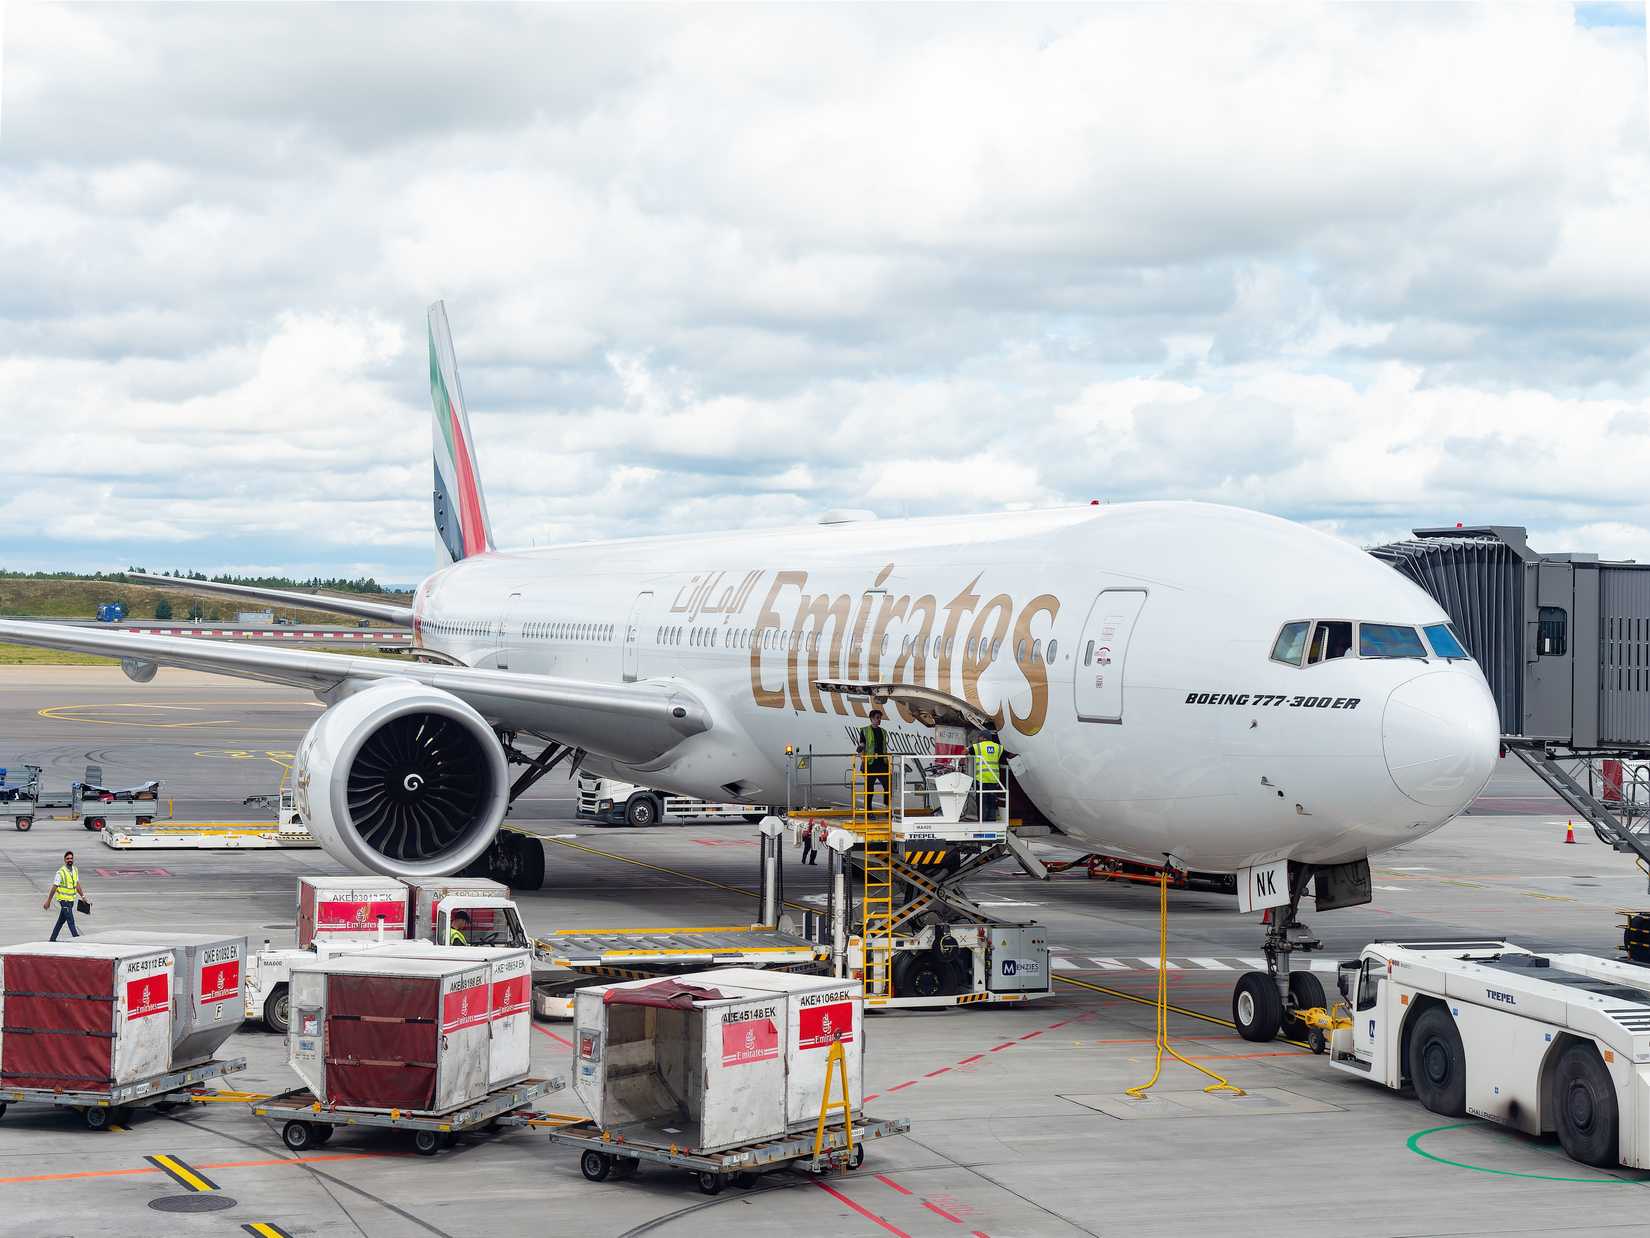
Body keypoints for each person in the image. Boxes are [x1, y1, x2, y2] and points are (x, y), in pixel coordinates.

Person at [42, 850, 88, 941]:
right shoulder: (60, 872)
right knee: (71, 921)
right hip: (64, 901)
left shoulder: (75, 870)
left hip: (71, 901)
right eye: (67, 859)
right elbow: (54, 887)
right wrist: (48, 901)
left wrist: (83, 896)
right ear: (64, 860)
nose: (69, 860)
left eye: (71, 858)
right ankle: (77, 939)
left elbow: (77, 884)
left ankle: (52, 940)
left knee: (61, 921)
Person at [857, 708, 892, 812]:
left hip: (882, 762)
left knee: (887, 787)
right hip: (870, 763)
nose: (879, 720)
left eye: (880, 718)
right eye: (877, 718)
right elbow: (862, 743)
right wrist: (860, 749)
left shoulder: (883, 731)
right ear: (871, 719)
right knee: (869, 789)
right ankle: (868, 810)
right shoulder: (865, 730)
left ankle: (887, 808)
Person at [970, 729, 1006, 822]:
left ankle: (982, 821)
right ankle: (991, 820)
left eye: (980, 737)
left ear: (983, 737)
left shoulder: (978, 746)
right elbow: (1007, 756)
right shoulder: (998, 747)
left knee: (982, 801)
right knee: (992, 801)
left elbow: (965, 752)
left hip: (981, 779)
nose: (978, 738)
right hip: (993, 779)